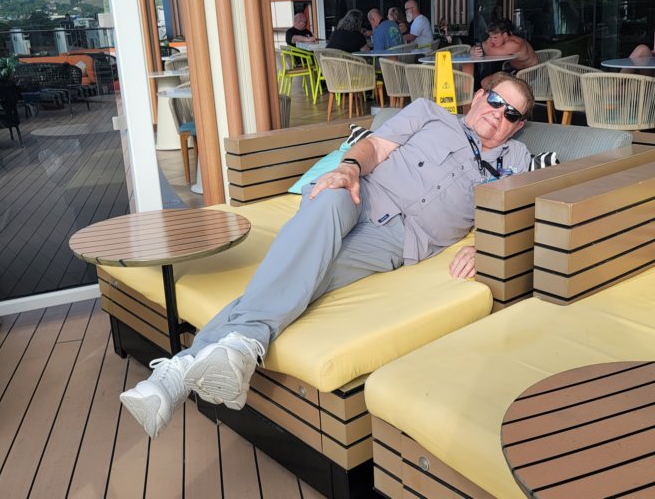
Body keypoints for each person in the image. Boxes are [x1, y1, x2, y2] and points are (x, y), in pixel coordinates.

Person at [119, 73, 536, 438]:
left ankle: (180, 374)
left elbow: (515, 211)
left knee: (306, 272)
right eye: (495, 100)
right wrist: (349, 168)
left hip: (400, 239)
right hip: (358, 193)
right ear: (478, 97)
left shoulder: (516, 159)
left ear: (516, 127)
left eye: (511, 114)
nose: (498, 114)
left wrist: (487, 246)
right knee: (331, 197)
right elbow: (376, 147)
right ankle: (228, 351)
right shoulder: (429, 113)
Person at [473, 18, 538, 74]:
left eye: (495, 37)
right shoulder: (502, 40)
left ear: (505, 35)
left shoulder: (514, 44)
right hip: (516, 70)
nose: (492, 41)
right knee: (487, 79)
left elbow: (489, 51)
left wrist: (485, 45)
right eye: (490, 37)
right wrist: (473, 51)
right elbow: (480, 46)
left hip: (528, 73)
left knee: (487, 80)